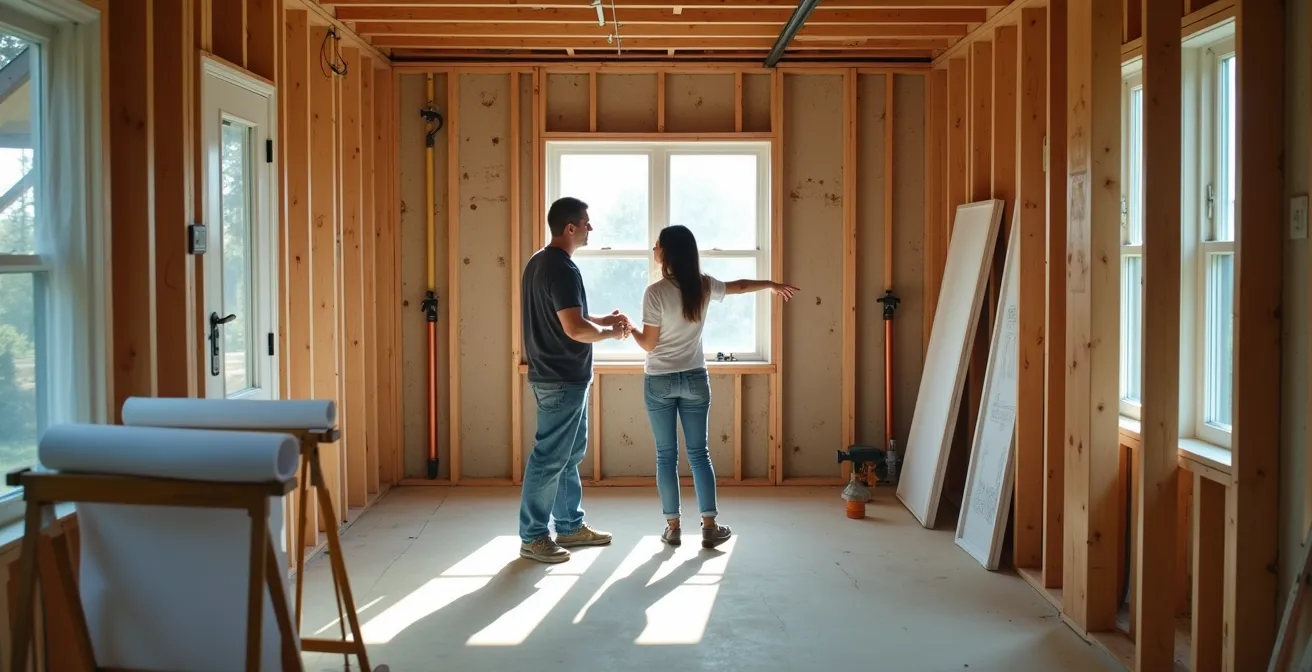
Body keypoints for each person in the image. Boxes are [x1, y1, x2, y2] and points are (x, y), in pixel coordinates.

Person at [627, 225, 798, 549]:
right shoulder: (702, 286)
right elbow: (742, 286)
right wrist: (772, 285)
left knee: (666, 456)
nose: (653, 250)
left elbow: (649, 345)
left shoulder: (655, 293)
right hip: (694, 378)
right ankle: (709, 525)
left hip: (660, 381)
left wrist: (629, 329)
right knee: (699, 453)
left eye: (656, 245)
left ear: (666, 252)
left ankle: (673, 527)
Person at [518, 196, 632, 563]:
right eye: (586, 222)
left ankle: (569, 525)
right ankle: (533, 536)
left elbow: (570, 316)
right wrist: (611, 333)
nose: (590, 228)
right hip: (561, 378)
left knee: (568, 455)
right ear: (570, 228)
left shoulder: (539, 262)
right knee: (550, 458)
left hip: (559, 376)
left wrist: (603, 321)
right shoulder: (563, 268)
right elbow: (575, 328)